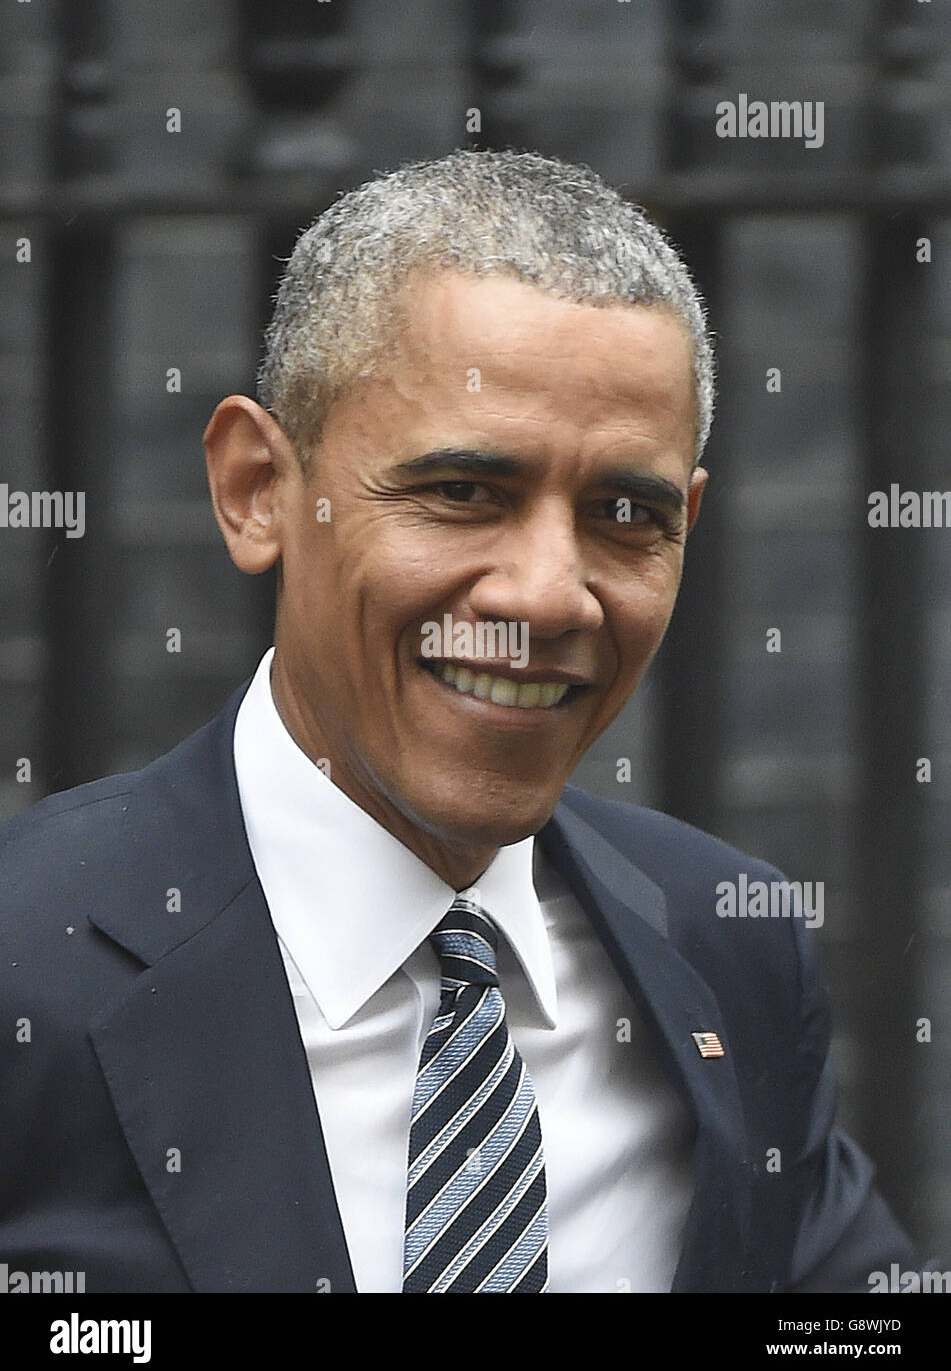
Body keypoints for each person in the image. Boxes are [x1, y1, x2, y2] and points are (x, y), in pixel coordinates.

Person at [0, 149, 922, 1293]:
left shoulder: (725, 944)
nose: (546, 594)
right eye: (461, 492)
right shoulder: (24, 962)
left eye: (624, 513)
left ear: (688, 522)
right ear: (257, 489)